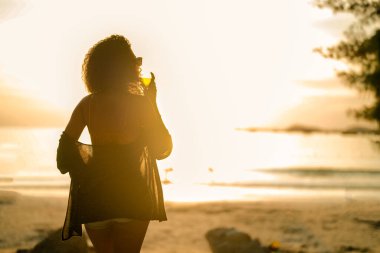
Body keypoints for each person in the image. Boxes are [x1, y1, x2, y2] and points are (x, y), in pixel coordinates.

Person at [56, 35, 172, 253]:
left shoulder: (86, 104)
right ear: (125, 68)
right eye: (134, 63)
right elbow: (162, 149)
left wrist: (87, 170)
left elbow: (63, 158)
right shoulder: (140, 104)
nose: (138, 68)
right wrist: (152, 102)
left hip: (94, 199)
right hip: (131, 196)